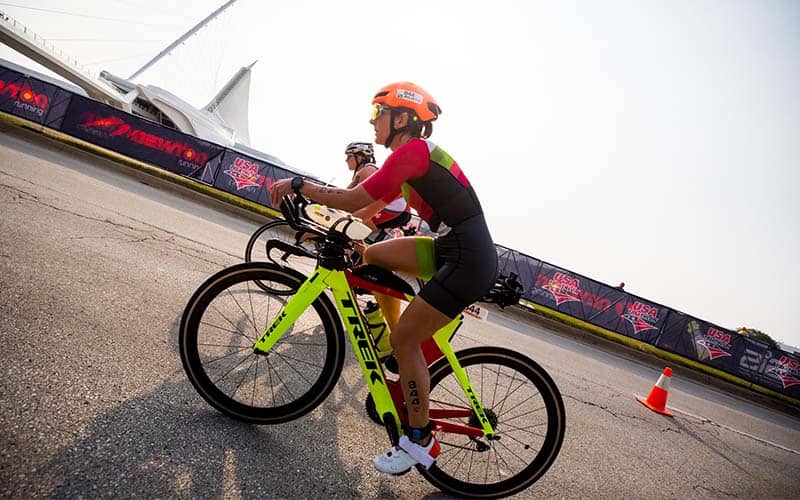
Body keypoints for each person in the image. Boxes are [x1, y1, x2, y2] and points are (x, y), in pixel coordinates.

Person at [269, 82, 498, 474]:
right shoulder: (406, 161)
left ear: (404, 118)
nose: (373, 121)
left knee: (404, 338)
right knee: (368, 255)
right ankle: (405, 359)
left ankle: (420, 440)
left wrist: (298, 185)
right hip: (452, 247)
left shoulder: (413, 153)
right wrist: (339, 230)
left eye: (379, 113)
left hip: (466, 256)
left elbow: (352, 199)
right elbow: (367, 208)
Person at [344, 141, 412, 235]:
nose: (346, 160)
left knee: (353, 213)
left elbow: (355, 200)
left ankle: (374, 237)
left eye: (348, 156)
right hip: (397, 208)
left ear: (359, 157)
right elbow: (344, 194)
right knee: (350, 211)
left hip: (395, 209)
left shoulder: (367, 170)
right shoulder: (364, 171)